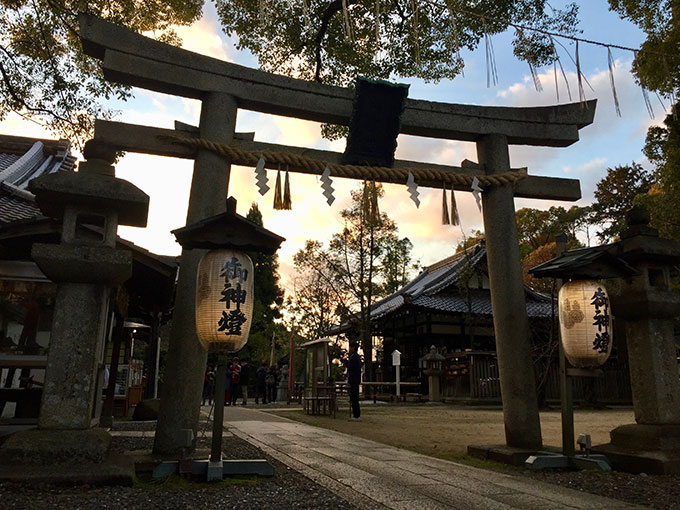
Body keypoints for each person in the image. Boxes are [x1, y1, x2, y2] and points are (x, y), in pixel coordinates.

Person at [346, 341, 362, 421]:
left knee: (354, 398)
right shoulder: (355, 357)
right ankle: (356, 414)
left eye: (350, 347)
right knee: (354, 397)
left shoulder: (354, 357)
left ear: (353, 348)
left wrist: (346, 363)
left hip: (354, 380)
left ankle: (356, 415)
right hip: (355, 379)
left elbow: (351, 367)